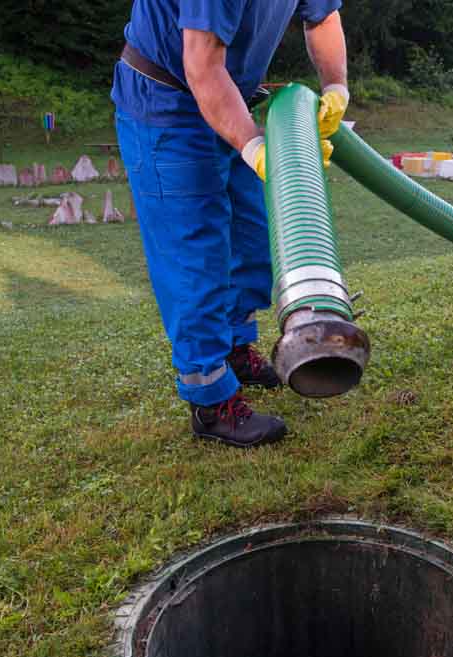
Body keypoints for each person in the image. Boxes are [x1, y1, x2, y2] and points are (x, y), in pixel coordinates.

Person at [112, 1, 350, 448]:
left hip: (233, 96)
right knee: (194, 257)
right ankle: (211, 402)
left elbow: (323, 17)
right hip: (169, 102)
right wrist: (253, 147)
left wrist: (336, 87)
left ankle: (236, 350)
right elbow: (201, 65)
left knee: (251, 238)